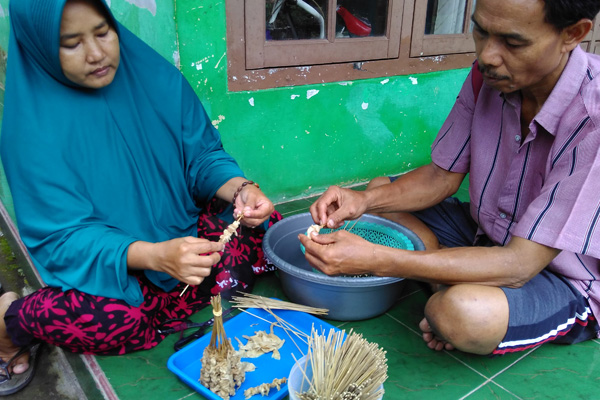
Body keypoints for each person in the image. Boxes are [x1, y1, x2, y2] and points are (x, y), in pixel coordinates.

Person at [0, 0, 281, 395]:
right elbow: (64, 238)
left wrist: (241, 190)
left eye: (103, 32)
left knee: (265, 225)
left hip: (178, 232)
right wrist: (155, 256)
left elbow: (201, 157)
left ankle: (185, 287)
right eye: (72, 43)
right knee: (116, 321)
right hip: (117, 266)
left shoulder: (150, 75)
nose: (97, 53)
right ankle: (9, 323)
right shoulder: (32, 130)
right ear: (42, 46)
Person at [300, 0, 600, 356]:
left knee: (463, 314)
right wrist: (362, 201)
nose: (488, 55)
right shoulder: (487, 77)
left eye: (513, 42)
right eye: (480, 31)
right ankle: (449, 274)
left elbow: (520, 264)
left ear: (573, 34)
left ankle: (447, 283)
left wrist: (377, 258)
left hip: (556, 274)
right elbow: (442, 177)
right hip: (485, 234)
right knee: (380, 191)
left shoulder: (592, 116)